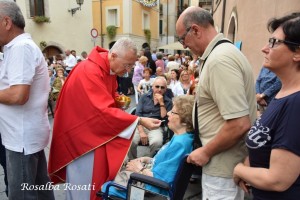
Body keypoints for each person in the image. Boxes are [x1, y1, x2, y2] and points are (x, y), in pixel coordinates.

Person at [48, 37, 162, 200]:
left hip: (93, 134)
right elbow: (101, 111)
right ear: (114, 55)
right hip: (81, 139)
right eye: (127, 65)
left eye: (131, 65)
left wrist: (117, 98)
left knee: (96, 183)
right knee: (84, 187)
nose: (128, 70)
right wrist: (139, 120)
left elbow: (106, 97)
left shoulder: (108, 69)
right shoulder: (90, 71)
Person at [176, 6, 257, 200]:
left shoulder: (220, 60)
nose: (184, 46)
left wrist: (206, 151)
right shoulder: (222, 54)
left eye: (182, 39)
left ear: (195, 30)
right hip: (225, 163)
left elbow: (239, 123)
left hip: (222, 166)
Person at [233, 12, 300, 200]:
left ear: (298, 53)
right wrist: (248, 165)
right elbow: (266, 141)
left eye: (274, 43)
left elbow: (277, 179)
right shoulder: (283, 94)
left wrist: (239, 169)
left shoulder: (296, 103)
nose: (264, 48)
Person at [0, 1, 55, 199]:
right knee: (41, 191)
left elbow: (18, 95)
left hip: (21, 138)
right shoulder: (17, 47)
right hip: (25, 135)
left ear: (6, 22)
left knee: (22, 195)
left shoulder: (20, 48)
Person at [102, 95, 195, 198]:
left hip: (150, 190)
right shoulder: (183, 137)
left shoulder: (180, 144)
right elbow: (166, 163)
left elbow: (162, 180)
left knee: (105, 187)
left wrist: (139, 169)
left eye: (172, 112)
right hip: (150, 182)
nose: (168, 113)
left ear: (185, 119)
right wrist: (147, 159)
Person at [128, 76, 173, 160]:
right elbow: (137, 114)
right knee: (130, 141)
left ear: (165, 89)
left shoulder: (168, 101)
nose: (159, 89)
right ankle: (132, 161)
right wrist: (141, 132)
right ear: (152, 87)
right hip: (141, 124)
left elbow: (164, 117)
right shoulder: (144, 97)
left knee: (157, 142)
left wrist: (161, 102)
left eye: (162, 87)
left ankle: (150, 161)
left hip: (156, 127)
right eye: (157, 86)